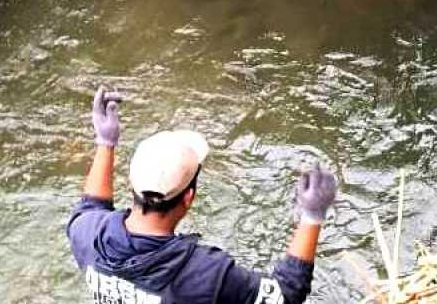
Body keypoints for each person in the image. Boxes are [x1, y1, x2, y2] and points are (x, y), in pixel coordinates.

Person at [67, 88, 338, 303]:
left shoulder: (87, 234)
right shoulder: (206, 274)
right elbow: (285, 295)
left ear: (132, 186)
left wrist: (105, 143)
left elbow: (91, 205)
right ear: (188, 198)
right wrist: (312, 216)